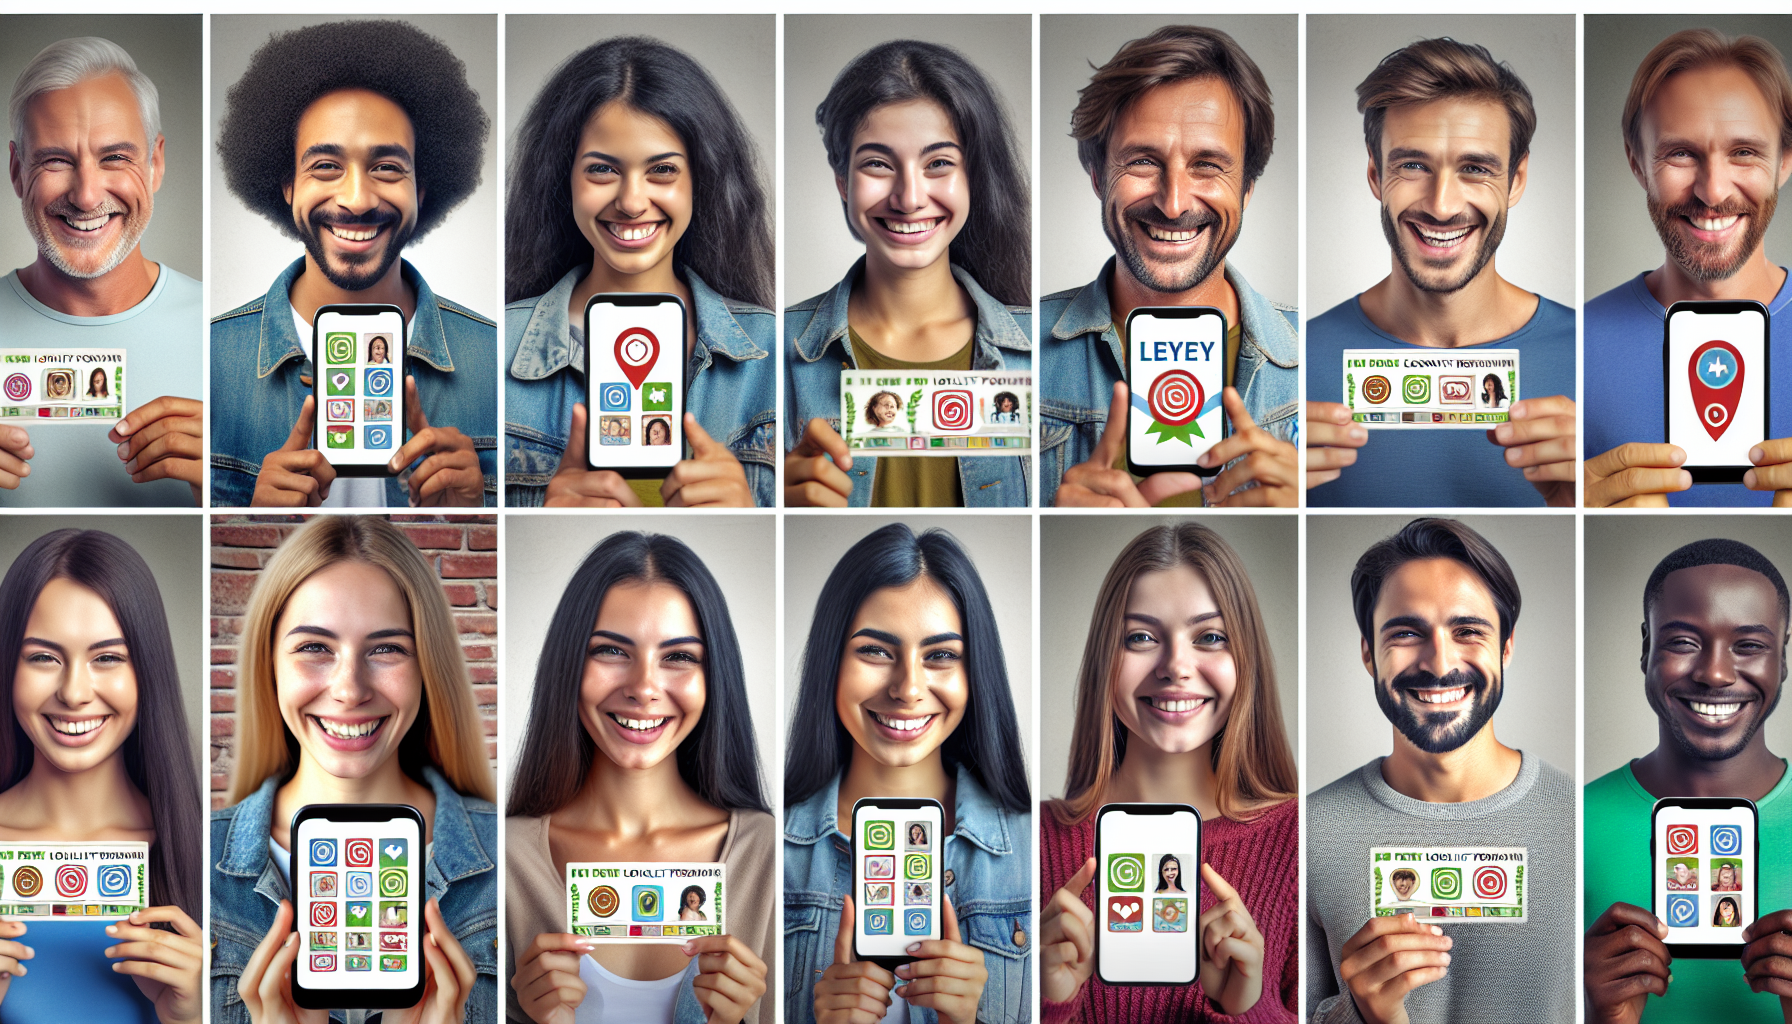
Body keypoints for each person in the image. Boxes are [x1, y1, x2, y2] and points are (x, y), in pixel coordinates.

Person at [210, 517, 495, 1023]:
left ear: (427, 665)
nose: (350, 689)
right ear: (268, 664)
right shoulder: (196, 862)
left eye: (386, 649)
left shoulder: (507, 854)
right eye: (315, 648)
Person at [210, 21, 497, 508]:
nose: (357, 199)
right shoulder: (212, 361)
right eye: (326, 166)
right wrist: (256, 522)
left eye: (386, 167)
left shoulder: (494, 359)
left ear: (420, 191)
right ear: (288, 187)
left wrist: (476, 511)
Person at [1308, 518, 1574, 1023]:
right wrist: (1363, 1014)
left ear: (1507, 646)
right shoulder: (1310, 832)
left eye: (1468, 630)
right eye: (1407, 632)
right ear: (1369, 653)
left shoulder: (1580, 822)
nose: (1438, 662)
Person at [505, 532, 772, 1024]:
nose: (644, 688)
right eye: (610, 651)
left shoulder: (771, 855)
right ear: (569, 664)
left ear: (716, 677)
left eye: (679, 657)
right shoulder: (504, 859)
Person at [1040, 523, 1297, 1021]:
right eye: (1140, 637)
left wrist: (1245, 1006)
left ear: (1245, 658)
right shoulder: (1034, 839)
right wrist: (1049, 1004)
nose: (1176, 666)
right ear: (1104, 661)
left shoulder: (1300, 840)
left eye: (1210, 637)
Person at [505, 37, 776, 508]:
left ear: (700, 180)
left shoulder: (773, 354)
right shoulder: (498, 346)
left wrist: (749, 514)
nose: (631, 202)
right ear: (564, 178)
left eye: (663, 171)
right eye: (602, 170)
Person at [1306, 38, 1577, 508]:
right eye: (1413, 165)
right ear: (1375, 174)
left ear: (1516, 179)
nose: (1442, 205)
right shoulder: (1294, 361)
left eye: (1475, 168)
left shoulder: (1589, 356)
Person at [1044, 26, 1299, 509]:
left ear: (1246, 189)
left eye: (1207, 165)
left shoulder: (1318, 363)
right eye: (1142, 161)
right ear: (1099, 177)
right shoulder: (1015, 356)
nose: (1174, 202)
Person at [785, 524, 1029, 1023]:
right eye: (875, 650)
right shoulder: (766, 850)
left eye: (940, 656)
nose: (908, 688)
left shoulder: (1033, 848)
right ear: (832, 661)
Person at [784, 41, 1032, 508]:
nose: (909, 197)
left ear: (972, 177)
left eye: (938, 163)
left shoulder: (1042, 354)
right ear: (842, 180)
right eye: (878, 164)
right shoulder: (774, 352)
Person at [1584, 539, 1792, 1022]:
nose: (1716, 674)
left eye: (1750, 645)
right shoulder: (1571, 822)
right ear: (1646, 649)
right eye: (1683, 642)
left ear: (1782, 658)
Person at [0, 529, 202, 1023]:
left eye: (107, 657)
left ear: (146, 670)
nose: (74, 692)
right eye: (43, 657)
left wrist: (198, 1015)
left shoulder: (204, 849)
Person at [1584, 30, 1792, 507]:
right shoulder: (1576, 346)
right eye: (1680, 153)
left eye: (1744, 152)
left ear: (1784, 162)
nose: (1713, 192)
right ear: (1637, 163)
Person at [3, 37, 203, 506]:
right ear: (16, 170)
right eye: (55, 160)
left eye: (114, 157)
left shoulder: (224, 334)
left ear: (155, 163)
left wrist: (227, 486)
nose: (87, 196)